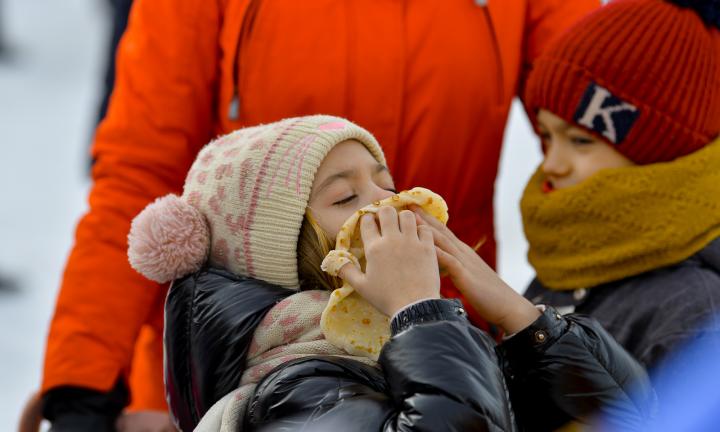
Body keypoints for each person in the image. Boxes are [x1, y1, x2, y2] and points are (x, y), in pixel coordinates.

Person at [38, 0, 602, 429]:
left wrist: (584, 317)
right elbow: (141, 176)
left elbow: (599, 139)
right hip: (243, 367)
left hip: (453, 352)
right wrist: (83, 388)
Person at [127, 115, 655, 431]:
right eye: (346, 196)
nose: (390, 204)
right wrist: (421, 313)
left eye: (386, 182)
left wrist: (522, 320)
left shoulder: (410, 349)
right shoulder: (293, 393)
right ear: (277, 254)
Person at [518, 0, 720, 380]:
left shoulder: (694, 312)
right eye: (546, 135)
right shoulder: (569, 258)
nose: (552, 164)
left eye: (580, 141)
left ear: (661, 154)